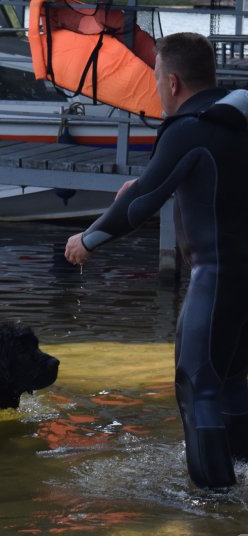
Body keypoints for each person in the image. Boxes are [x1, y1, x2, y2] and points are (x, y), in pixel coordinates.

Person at [65, 32, 248, 489]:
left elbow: (138, 205)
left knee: (197, 385)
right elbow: (209, 183)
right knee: (233, 380)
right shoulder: (237, 117)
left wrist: (85, 241)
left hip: (219, 276)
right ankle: (241, 478)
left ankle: (215, 510)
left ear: (172, 82)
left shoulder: (189, 128)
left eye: (155, 79)